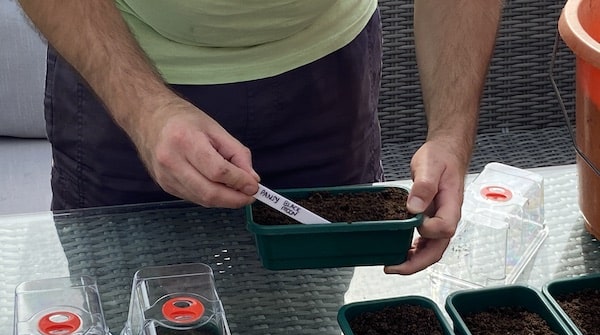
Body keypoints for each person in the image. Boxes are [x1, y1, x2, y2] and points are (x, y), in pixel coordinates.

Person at [18, 0, 503, 275]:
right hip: (123, 74)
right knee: (130, 326)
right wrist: (144, 109)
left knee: (310, 324)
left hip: (327, 80)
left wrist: (449, 134)